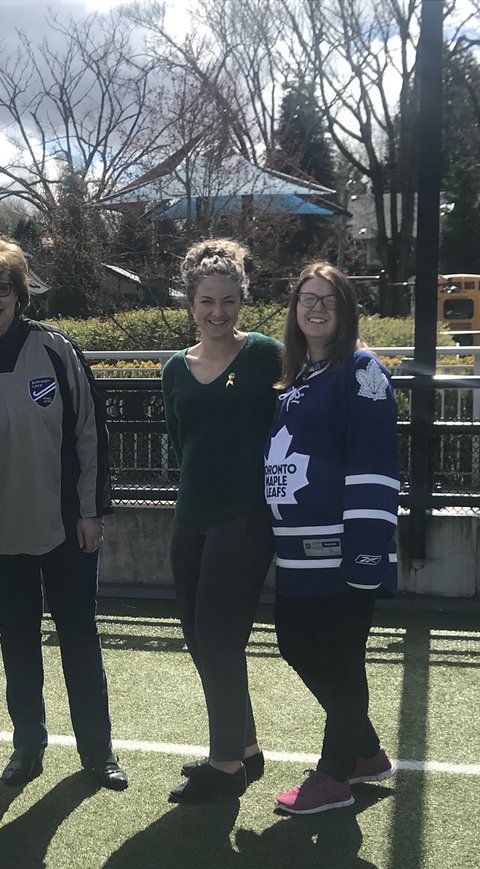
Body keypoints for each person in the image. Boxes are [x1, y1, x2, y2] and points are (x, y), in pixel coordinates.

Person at [0, 234, 127, 791]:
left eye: (0, 288)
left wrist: (91, 510)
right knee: (18, 646)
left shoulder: (54, 348)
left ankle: (98, 752)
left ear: (19, 294)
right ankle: (28, 748)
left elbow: (89, 432)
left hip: (68, 526)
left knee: (79, 636)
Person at [263, 261, 398, 815]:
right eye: (306, 299)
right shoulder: (299, 379)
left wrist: (367, 550)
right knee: (296, 644)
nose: (315, 308)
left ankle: (335, 773)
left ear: (345, 311)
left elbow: (373, 465)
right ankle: (364, 752)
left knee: (341, 660)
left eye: (328, 300)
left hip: (341, 549)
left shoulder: (362, 371)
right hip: (297, 553)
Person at [161, 239, 283, 803]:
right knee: (198, 635)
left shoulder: (265, 355)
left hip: (246, 516)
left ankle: (225, 764)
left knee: (219, 638)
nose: (218, 312)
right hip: (192, 517)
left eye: (229, 301)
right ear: (189, 303)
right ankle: (247, 747)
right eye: (207, 301)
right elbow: (184, 442)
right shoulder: (173, 369)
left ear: (242, 299)